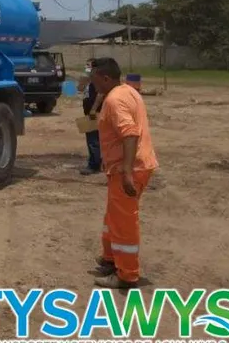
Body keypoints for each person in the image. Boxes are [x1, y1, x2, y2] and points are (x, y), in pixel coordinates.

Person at [89, 57, 159, 289]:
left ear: (106, 78)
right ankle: (111, 259)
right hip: (128, 167)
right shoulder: (126, 91)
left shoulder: (115, 100)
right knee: (113, 218)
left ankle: (127, 275)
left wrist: (127, 171)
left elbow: (130, 134)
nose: (92, 83)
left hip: (128, 169)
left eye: (95, 79)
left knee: (123, 223)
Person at [76, 59, 102, 175]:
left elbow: (100, 94)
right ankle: (98, 162)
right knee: (92, 137)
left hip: (95, 112)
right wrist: (83, 79)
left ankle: (94, 165)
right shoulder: (88, 80)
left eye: (88, 65)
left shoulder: (99, 80)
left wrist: (93, 110)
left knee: (93, 139)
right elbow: (79, 89)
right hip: (88, 111)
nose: (86, 67)